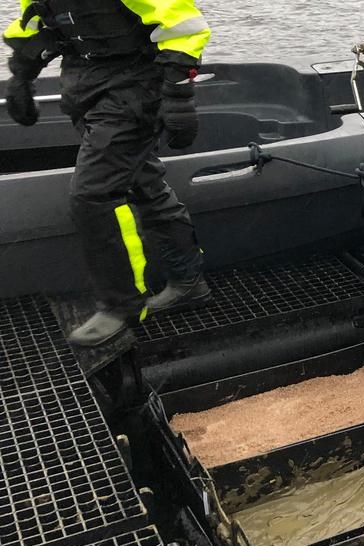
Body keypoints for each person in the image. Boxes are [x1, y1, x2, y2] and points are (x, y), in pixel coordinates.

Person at [5, 0, 211, 346]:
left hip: (135, 87)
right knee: (142, 180)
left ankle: (121, 305)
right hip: (86, 86)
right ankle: (188, 282)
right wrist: (20, 77)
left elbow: (183, 24)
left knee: (93, 195)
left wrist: (178, 94)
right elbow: (32, 22)